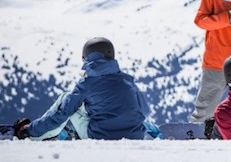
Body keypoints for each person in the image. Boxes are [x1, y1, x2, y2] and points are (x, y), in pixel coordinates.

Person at [13, 37, 154, 140]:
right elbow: (145, 111)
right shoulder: (128, 81)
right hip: (135, 136)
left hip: (100, 137)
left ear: (87, 57)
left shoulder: (87, 84)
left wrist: (30, 129)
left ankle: (32, 136)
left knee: (66, 99)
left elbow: (61, 113)